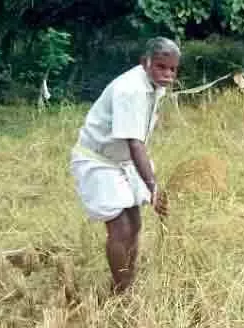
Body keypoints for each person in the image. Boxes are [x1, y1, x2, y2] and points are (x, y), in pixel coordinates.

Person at [69, 36, 180, 294]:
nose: (167, 74)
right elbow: (135, 143)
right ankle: (121, 290)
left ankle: (127, 279)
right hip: (98, 160)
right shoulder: (130, 89)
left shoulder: (153, 86)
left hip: (122, 161)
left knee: (135, 223)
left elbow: (138, 139)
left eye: (172, 69)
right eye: (161, 67)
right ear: (145, 62)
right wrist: (153, 187)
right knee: (120, 228)